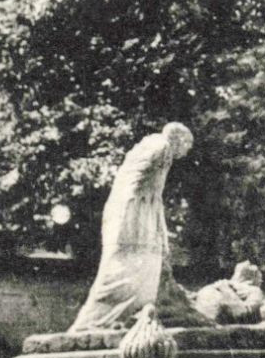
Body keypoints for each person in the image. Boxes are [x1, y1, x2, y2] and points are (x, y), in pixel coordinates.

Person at [69, 123, 210, 331]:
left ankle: (128, 314)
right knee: (135, 263)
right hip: (136, 212)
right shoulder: (162, 147)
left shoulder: (150, 144)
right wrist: (138, 215)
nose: (187, 151)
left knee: (145, 263)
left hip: (132, 208)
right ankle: (103, 320)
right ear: (179, 139)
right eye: (187, 145)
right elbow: (140, 182)